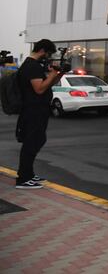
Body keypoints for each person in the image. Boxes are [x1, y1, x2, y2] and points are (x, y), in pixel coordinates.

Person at [15, 39, 64, 189]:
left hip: (39, 110)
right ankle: (23, 178)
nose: (48, 57)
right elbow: (39, 89)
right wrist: (53, 73)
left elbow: (48, 84)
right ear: (42, 50)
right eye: (48, 54)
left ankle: (28, 174)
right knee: (31, 142)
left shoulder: (35, 66)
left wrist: (59, 74)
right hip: (33, 111)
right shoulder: (31, 66)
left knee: (38, 140)